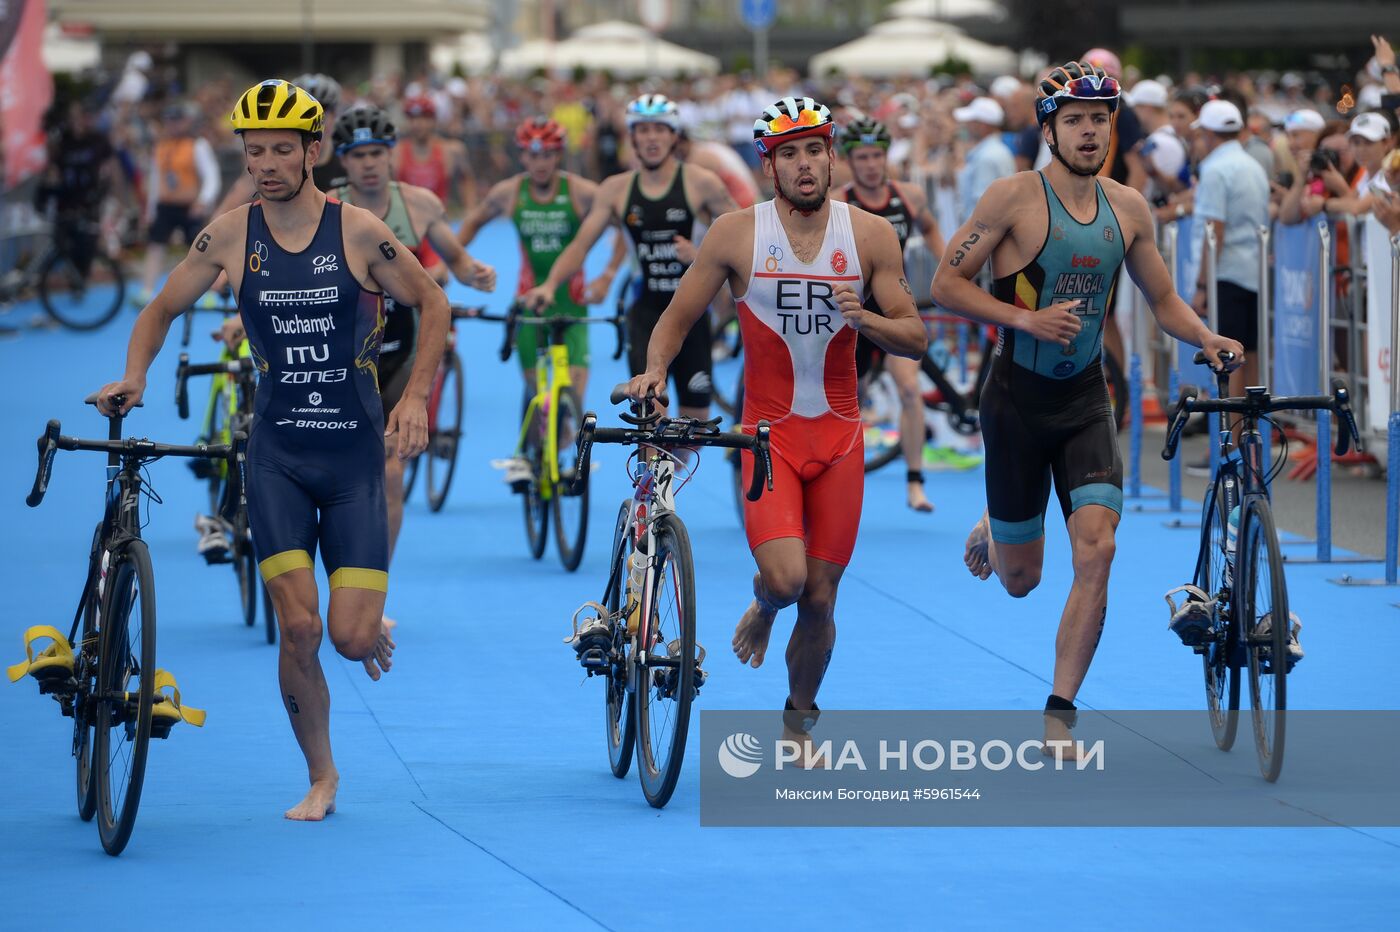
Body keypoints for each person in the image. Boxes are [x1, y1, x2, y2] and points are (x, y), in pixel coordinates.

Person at [95, 79, 451, 821]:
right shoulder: (229, 235)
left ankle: (367, 623)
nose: (265, 163)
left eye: (281, 150)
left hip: (352, 462)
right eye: (254, 151)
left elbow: (433, 302)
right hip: (278, 458)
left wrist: (414, 397)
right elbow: (161, 307)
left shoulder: (357, 231)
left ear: (314, 152)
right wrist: (135, 374)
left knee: (350, 640)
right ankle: (322, 776)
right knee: (298, 626)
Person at [929, 62, 1242, 751]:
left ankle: (1059, 711)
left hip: (1083, 402)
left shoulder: (1129, 207)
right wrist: (1026, 321)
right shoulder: (1010, 198)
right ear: (1049, 130)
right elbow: (946, 284)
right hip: (1014, 402)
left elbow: (1161, 300)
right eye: (1075, 119)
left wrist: (1204, 335)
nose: (1090, 130)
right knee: (1021, 581)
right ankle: (998, 521)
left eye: (1101, 119)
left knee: (1097, 552)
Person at [625, 97, 927, 763]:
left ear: (831, 157)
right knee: (788, 582)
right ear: (770, 167)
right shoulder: (735, 234)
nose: (804, 164)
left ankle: (798, 724)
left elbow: (915, 336)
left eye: (813, 150)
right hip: (769, 440)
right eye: (788, 153)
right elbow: (677, 315)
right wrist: (653, 371)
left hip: (842, 439)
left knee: (821, 600)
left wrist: (867, 320)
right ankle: (763, 605)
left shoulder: (872, 235)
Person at [332, 104, 496, 561]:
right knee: (339, 473)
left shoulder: (418, 204)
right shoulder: (325, 207)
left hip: (402, 351)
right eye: (357, 155)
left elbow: (456, 257)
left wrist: (473, 271)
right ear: (342, 160)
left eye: (376, 154)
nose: (368, 164)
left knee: (391, 472)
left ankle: (375, 587)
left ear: (390, 155)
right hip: (344, 357)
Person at [520, 94, 739, 421]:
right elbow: (581, 245)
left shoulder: (700, 183)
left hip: (693, 316)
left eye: (660, 129)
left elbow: (742, 239)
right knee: (651, 420)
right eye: (643, 130)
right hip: (645, 317)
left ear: (674, 136)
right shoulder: (616, 189)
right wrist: (550, 284)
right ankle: (648, 470)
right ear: (632, 137)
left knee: (695, 429)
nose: (652, 137)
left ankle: (666, 465)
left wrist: (702, 254)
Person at [456, 115, 624, 473]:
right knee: (536, 393)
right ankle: (532, 456)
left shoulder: (580, 192)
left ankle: (564, 444)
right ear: (522, 157)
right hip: (529, 302)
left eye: (548, 154)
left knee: (572, 396)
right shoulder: (509, 192)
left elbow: (624, 227)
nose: (540, 163)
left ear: (559, 156)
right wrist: (462, 264)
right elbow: (471, 222)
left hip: (573, 304)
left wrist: (607, 275)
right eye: (533, 156)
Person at [831, 117, 947, 512]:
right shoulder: (839, 203)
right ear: (849, 160)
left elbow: (930, 229)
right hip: (854, 315)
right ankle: (837, 477)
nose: (870, 165)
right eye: (862, 157)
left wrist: (947, 270)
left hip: (896, 311)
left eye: (877, 155)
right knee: (850, 397)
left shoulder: (909, 196)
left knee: (910, 392)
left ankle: (915, 483)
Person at [1185, 99, 1272, 436]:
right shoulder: (1253, 166)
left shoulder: (1216, 168)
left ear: (1208, 134)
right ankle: (1250, 439)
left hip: (1226, 274)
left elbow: (1213, 232)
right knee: (1248, 356)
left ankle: (1229, 443)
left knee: (1228, 359)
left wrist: (1203, 285)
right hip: (1252, 273)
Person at [138, 103, 221, 300]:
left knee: (199, 250)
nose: (173, 125)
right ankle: (147, 291)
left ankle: (208, 294)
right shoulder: (161, 147)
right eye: (169, 121)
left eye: (177, 120)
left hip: (189, 206)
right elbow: (155, 181)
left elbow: (212, 176)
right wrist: (150, 211)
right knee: (155, 246)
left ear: (186, 122)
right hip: (165, 205)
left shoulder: (197, 145)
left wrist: (203, 201)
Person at [393, 95, 474, 210]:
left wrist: (470, 210)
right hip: (406, 223)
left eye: (423, 118)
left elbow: (467, 180)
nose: (417, 124)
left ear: (433, 120)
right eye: (412, 119)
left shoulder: (451, 150)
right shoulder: (395, 152)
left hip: (438, 222)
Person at [953, 96, 1016, 227]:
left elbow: (980, 210)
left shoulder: (987, 157)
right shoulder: (995, 151)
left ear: (982, 125)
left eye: (971, 121)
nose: (967, 125)